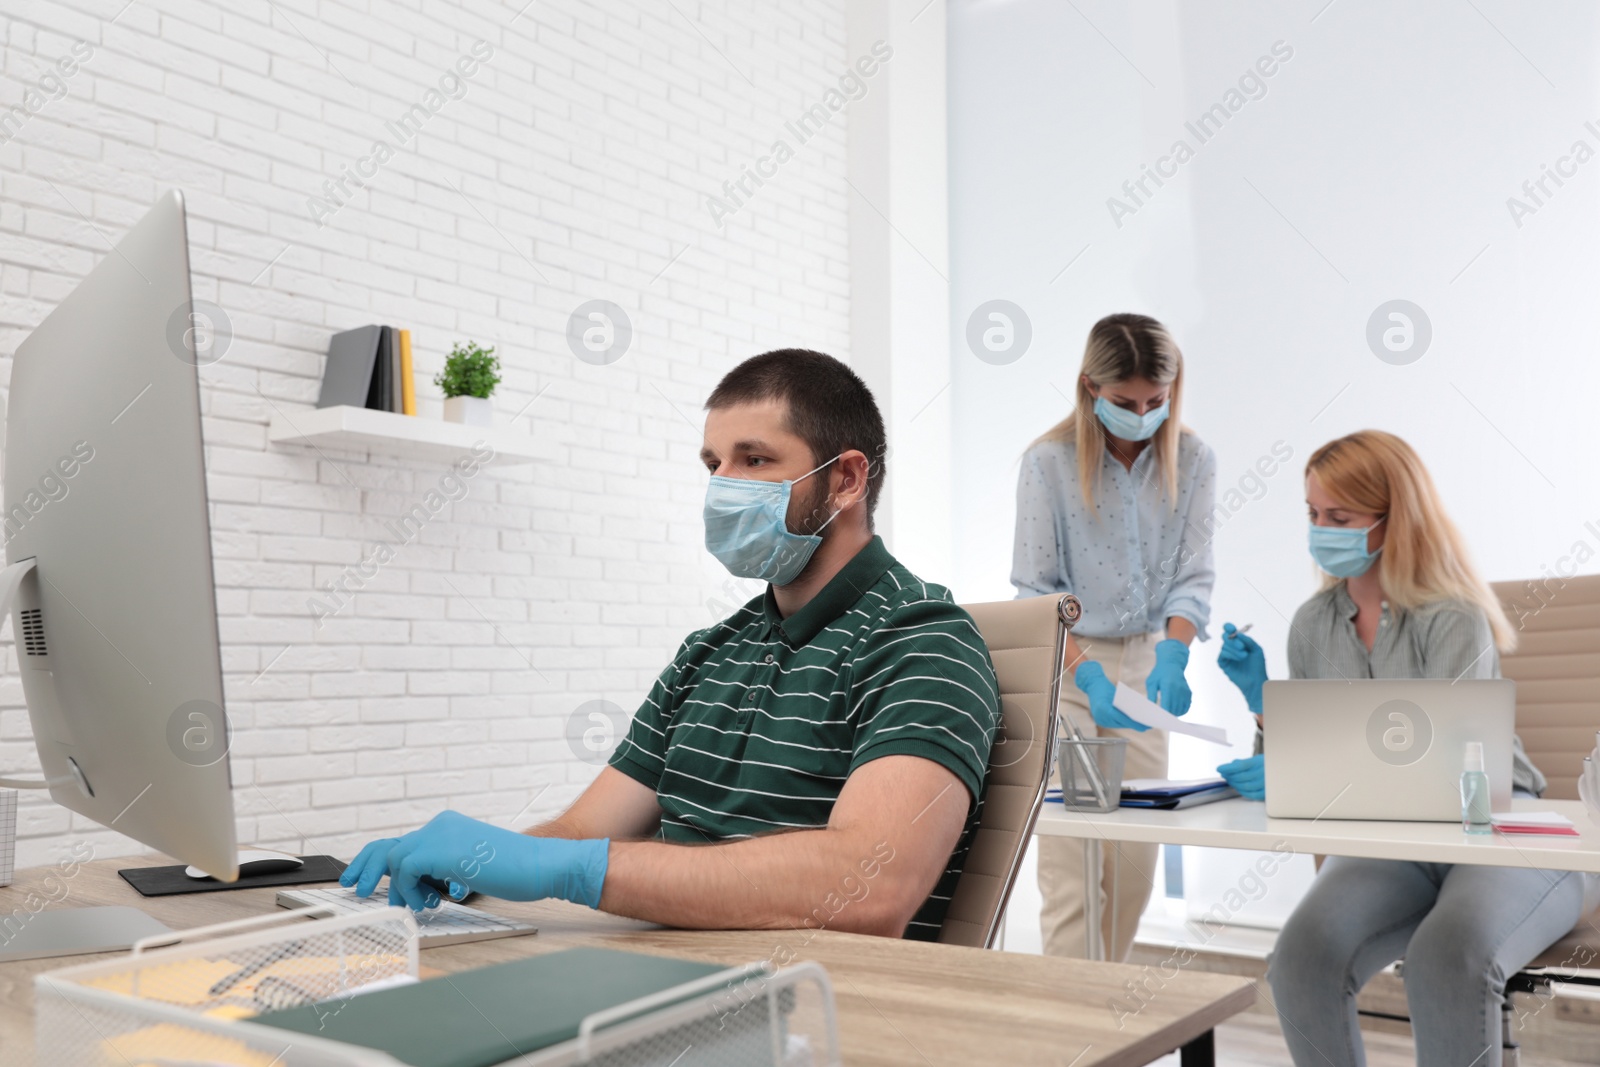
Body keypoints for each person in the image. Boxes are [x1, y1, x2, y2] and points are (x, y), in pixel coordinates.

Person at [340, 349, 1000, 941]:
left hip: (818, 1008)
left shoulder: (920, 639)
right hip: (663, 978)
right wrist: (474, 867)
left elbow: (869, 884)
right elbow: (579, 834)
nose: (723, 485)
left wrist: (563, 868)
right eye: (715, 464)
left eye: (755, 459)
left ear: (847, 479)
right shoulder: (709, 652)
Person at [1213, 429, 1599, 1066]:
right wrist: (1263, 704)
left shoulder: (1453, 613)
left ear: (1397, 519)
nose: (1320, 530)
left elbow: (1451, 769)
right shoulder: (1312, 625)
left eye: (1339, 517)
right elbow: (1310, 768)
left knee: (1447, 956)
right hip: (1393, 840)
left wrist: (1307, 769)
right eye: (1312, 515)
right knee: (1302, 958)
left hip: (1500, 829)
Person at [1011, 313, 1217, 960]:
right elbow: (1037, 589)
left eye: (1157, 400)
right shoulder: (1047, 464)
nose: (1144, 413)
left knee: (1131, 867)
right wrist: (1087, 676)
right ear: (1090, 386)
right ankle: (1074, 1043)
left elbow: (1193, 576)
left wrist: (1176, 653)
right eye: (1126, 402)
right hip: (1072, 672)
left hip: (1148, 664)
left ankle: (1105, 1023)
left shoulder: (1195, 460)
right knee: (1075, 866)